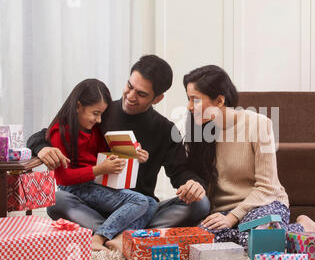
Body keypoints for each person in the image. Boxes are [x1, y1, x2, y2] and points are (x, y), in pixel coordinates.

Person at [27, 55, 210, 243]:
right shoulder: (101, 113)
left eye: (141, 94)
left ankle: (112, 232)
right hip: (94, 204)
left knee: (200, 203)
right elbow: (51, 132)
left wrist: (193, 183)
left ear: (157, 99)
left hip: (141, 207)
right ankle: (128, 234)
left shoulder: (165, 129)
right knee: (57, 199)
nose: (130, 96)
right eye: (130, 86)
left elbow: (179, 172)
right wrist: (41, 148)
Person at [182, 65, 315, 249]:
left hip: (263, 203)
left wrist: (233, 217)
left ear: (219, 101)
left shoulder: (259, 124)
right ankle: (288, 232)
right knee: (196, 243)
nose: (189, 106)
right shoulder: (199, 131)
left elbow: (267, 186)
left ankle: (302, 227)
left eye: (195, 100)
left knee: (261, 242)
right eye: (188, 99)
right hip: (224, 211)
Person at [47, 78, 158, 251]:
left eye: (101, 114)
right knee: (139, 201)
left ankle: (121, 238)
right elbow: (63, 178)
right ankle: (99, 236)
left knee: (151, 202)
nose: (98, 120)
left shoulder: (94, 131)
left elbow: (105, 155)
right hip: (76, 188)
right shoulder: (60, 131)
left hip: (96, 184)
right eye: (95, 113)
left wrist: (132, 155)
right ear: (78, 106)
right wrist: (99, 169)